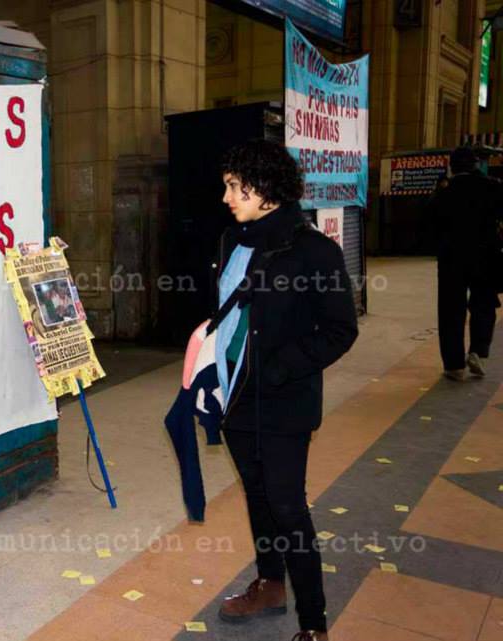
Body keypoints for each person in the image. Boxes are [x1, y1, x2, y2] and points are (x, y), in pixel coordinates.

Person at [211, 140, 358, 641]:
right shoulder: (232, 241)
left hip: (283, 399)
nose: (227, 197)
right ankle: (271, 584)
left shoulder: (315, 251)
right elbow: (228, 315)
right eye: (227, 186)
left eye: (236, 187)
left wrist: (280, 368)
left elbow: (340, 330)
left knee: (288, 505)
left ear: (266, 189)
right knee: (257, 495)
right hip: (234, 395)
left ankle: (314, 624)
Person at [427, 146, 502, 380]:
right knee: (484, 303)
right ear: (475, 164)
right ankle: (478, 350)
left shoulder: (444, 192)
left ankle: (454, 365)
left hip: (451, 259)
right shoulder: (492, 187)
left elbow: (429, 225)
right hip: (486, 257)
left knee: (451, 309)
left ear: (452, 166)